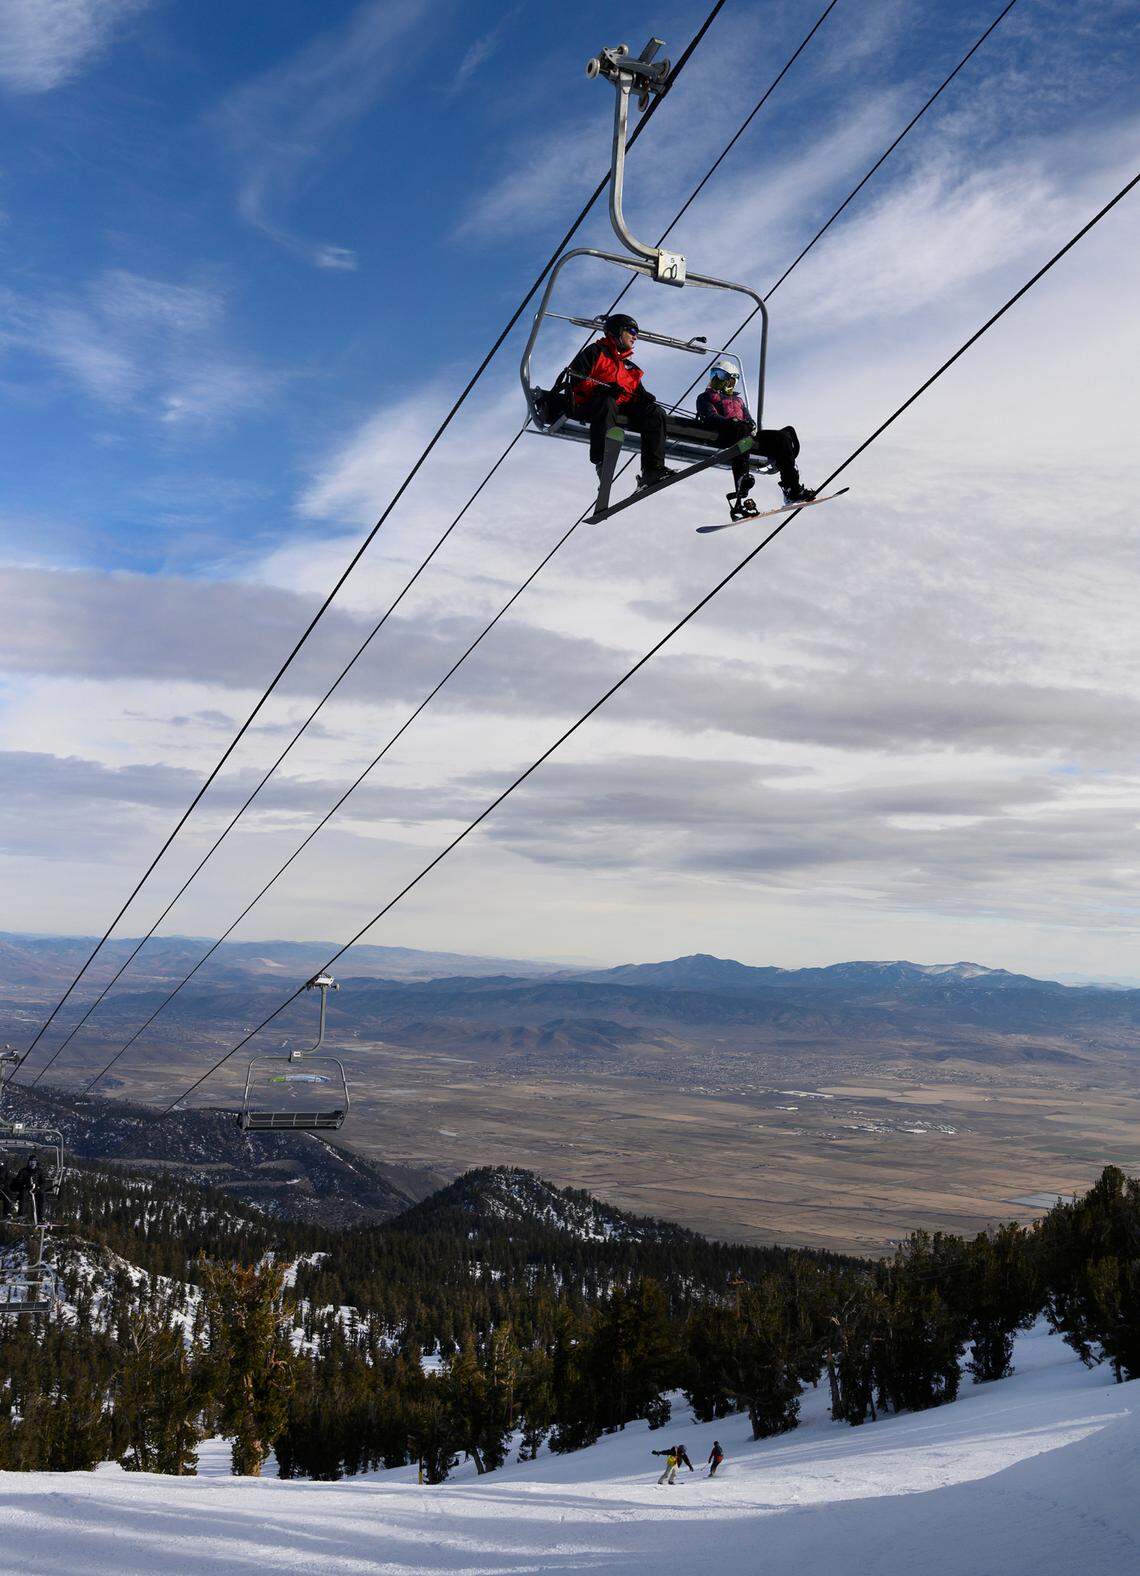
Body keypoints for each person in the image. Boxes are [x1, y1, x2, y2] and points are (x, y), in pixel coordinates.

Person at [566, 314, 672, 491]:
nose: (635, 336)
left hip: (618, 407)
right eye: (631, 331)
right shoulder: (595, 352)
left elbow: (636, 394)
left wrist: (645, 398)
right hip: (589, 404)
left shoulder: (629, 367)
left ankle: (652, 470)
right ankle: (602, 461)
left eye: (636, 332)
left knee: (655, 412)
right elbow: (575, 379)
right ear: (617, 331)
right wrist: (600, 389)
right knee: (607, 402)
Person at [695, 363, 816, 508]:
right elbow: (710, 417)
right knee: (741, 429)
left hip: (746, 438)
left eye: (720, 375)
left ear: (731, 381)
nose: (715, 379)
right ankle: (742, 481)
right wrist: (732, 423)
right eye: (714, 374)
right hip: (724, 436)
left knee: (783, 436)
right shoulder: (705, 398)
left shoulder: (738, 401)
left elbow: (748, 418)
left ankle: (792, 488)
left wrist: (750, 423)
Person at [14, 1155, 43, 1224]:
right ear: (28, 1162)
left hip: (36, 1189)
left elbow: (43, 1182)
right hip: (26, 1189)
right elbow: (18, 1181)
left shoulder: (39, 1171)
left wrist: (38, 1187)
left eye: (34, 1162)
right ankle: (22, 1215)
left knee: (42, 1196)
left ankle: (41, 1217)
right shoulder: (23, 1171)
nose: (32, 1164)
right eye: (31, 1162)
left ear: (36, 1163)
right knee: (23, 1195)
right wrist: (24, 1184)